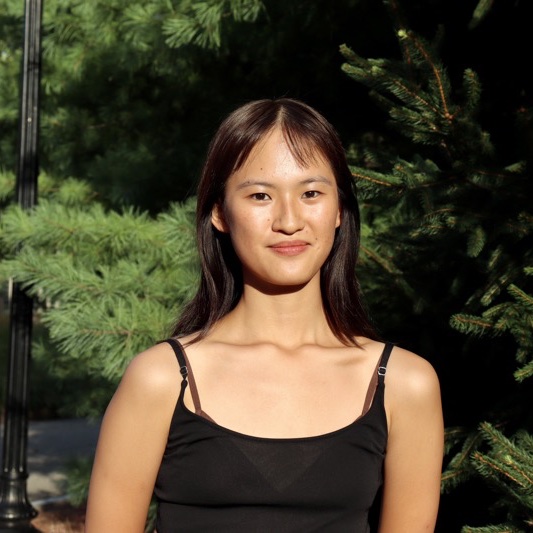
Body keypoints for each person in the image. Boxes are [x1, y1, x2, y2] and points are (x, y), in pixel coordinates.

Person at [85, 98, 444, 532]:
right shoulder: (160, 379)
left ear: (339, 211)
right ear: (219, 212)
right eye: (260, 195)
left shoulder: (406, 384)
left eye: (311, 193)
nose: (289, 221)